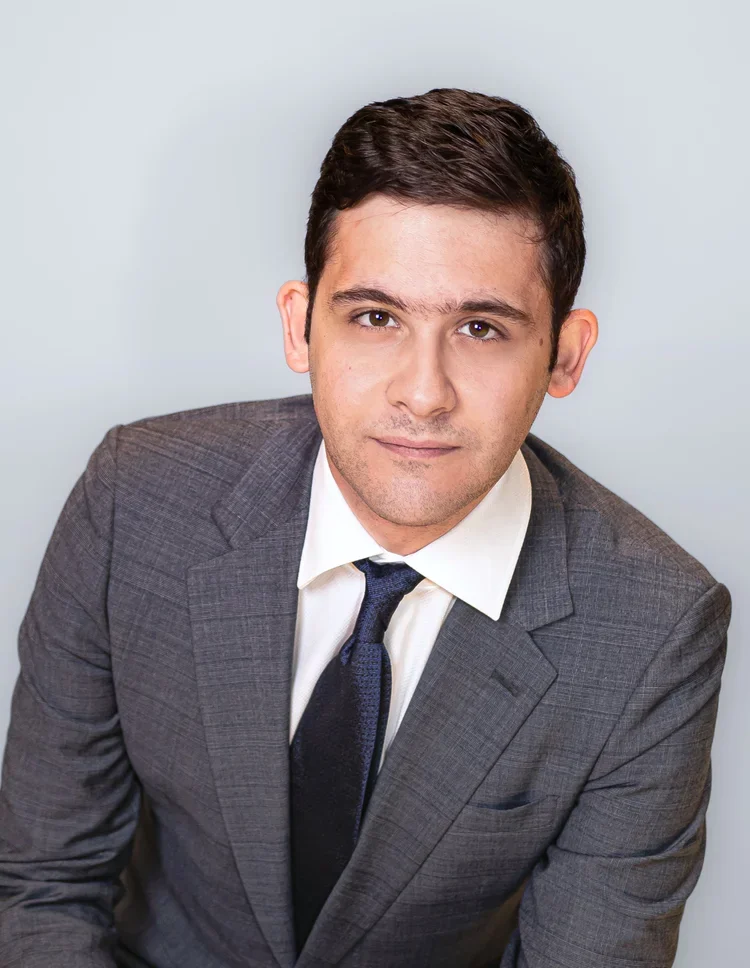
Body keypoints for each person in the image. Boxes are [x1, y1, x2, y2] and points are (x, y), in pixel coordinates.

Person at [0, 87, 731, 968]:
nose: (423, 393)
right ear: (300, 326)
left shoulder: (655, 628)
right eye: (375, 318)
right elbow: (41, 886)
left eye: (481, 328)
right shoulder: (136, 500)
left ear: (565, 355)